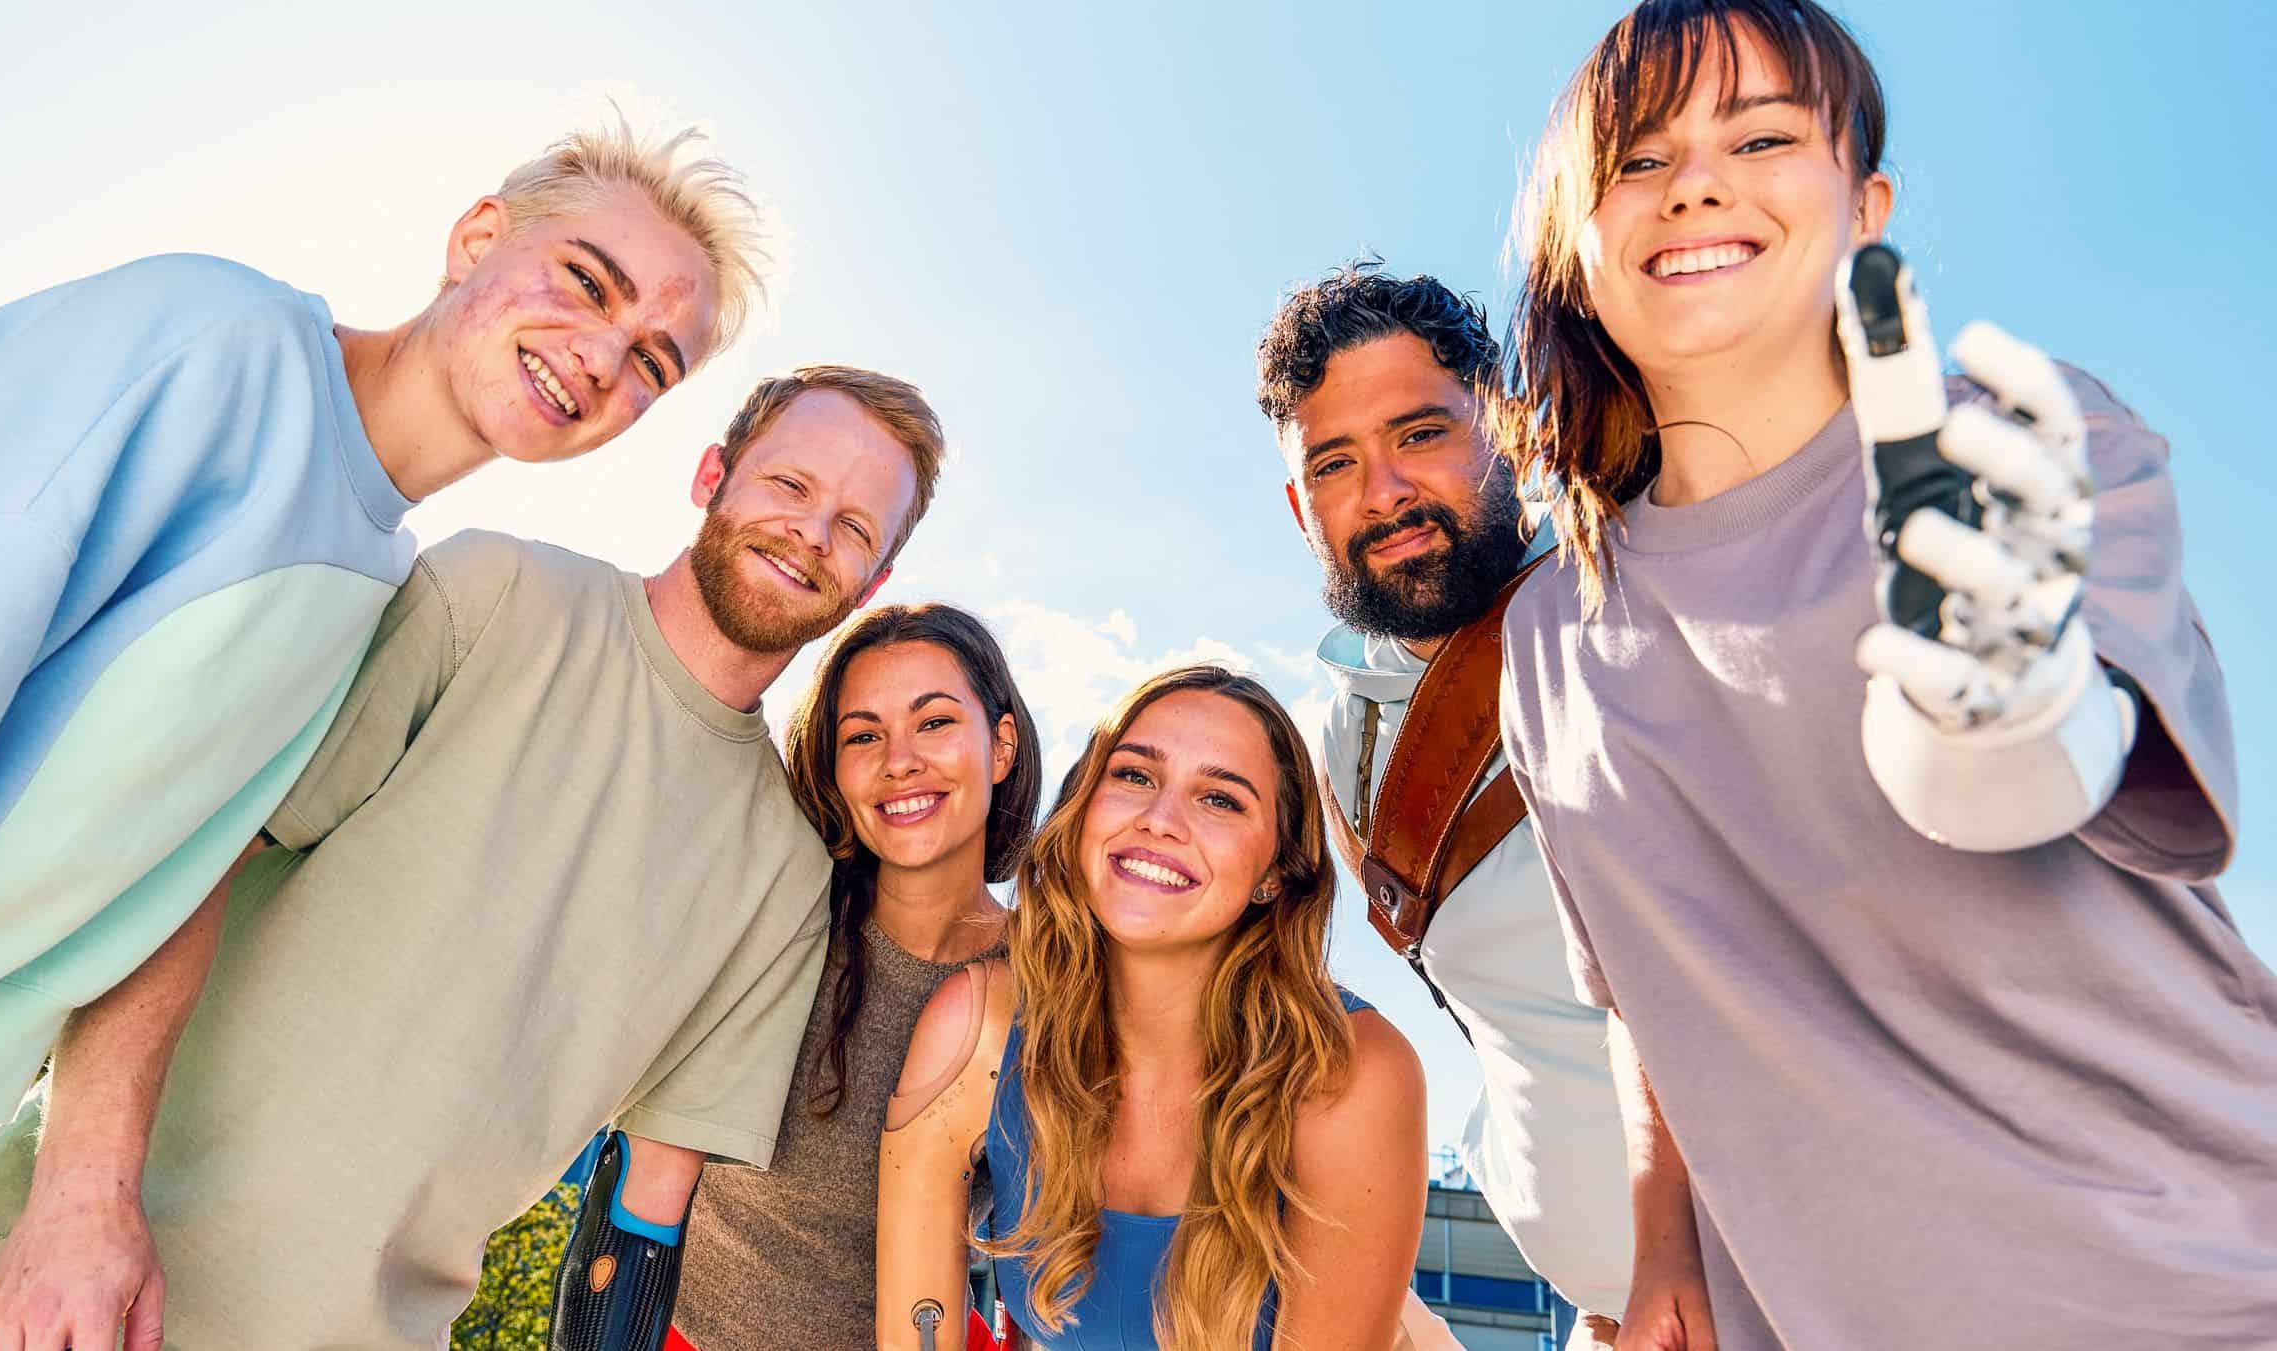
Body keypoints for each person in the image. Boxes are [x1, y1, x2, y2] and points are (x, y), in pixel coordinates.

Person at [0, 117, 767, 1349]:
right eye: (587, 282)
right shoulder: (220, 345)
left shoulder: (377, 583)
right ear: (476, 235)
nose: (601, 356)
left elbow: (172, 884)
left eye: (653, 361)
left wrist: (90, 1185)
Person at [0, 364, 944, 1351]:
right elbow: (188, 862)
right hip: (35, 1270)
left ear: (874, 580)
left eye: (855, 524)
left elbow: (650, 1211)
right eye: (790, 483)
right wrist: (76, 1203)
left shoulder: (787, 876)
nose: (810, 530)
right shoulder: (499, 593)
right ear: (713, 476)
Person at [1493, 2, 2277, 1347]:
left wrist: (1997, 717)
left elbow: (2046, 766)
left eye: (1764, 134)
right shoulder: (1549, 631)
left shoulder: (2027, 448)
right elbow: (1646, 989)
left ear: (1868, 205)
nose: (1697, 180)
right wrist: (1664, 1251)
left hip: (2195, 1285)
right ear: (1575, 234)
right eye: (1639, 154)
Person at [1255, 261, 1633, 1346]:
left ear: (1506, 428)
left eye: (1419, 433)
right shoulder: (1341, 757)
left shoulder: (1650, 604)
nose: (1383, 492)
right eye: (1335, 462)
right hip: (1603, 1320)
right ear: (1300, 506)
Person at [878, 666, 1455, 1351]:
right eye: (1134, 776)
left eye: (1219, 799)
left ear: (1275, 870)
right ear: (1083, 808)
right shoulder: (978, 1031)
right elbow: (915, 1334)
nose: (1160, 820)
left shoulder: (1351, 1071)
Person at [655, 603, 1039, 1351]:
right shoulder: (777, 917)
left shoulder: (1052, 985)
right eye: (864, 735)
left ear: (1000, 746)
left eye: (934, 723)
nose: (900, 760)